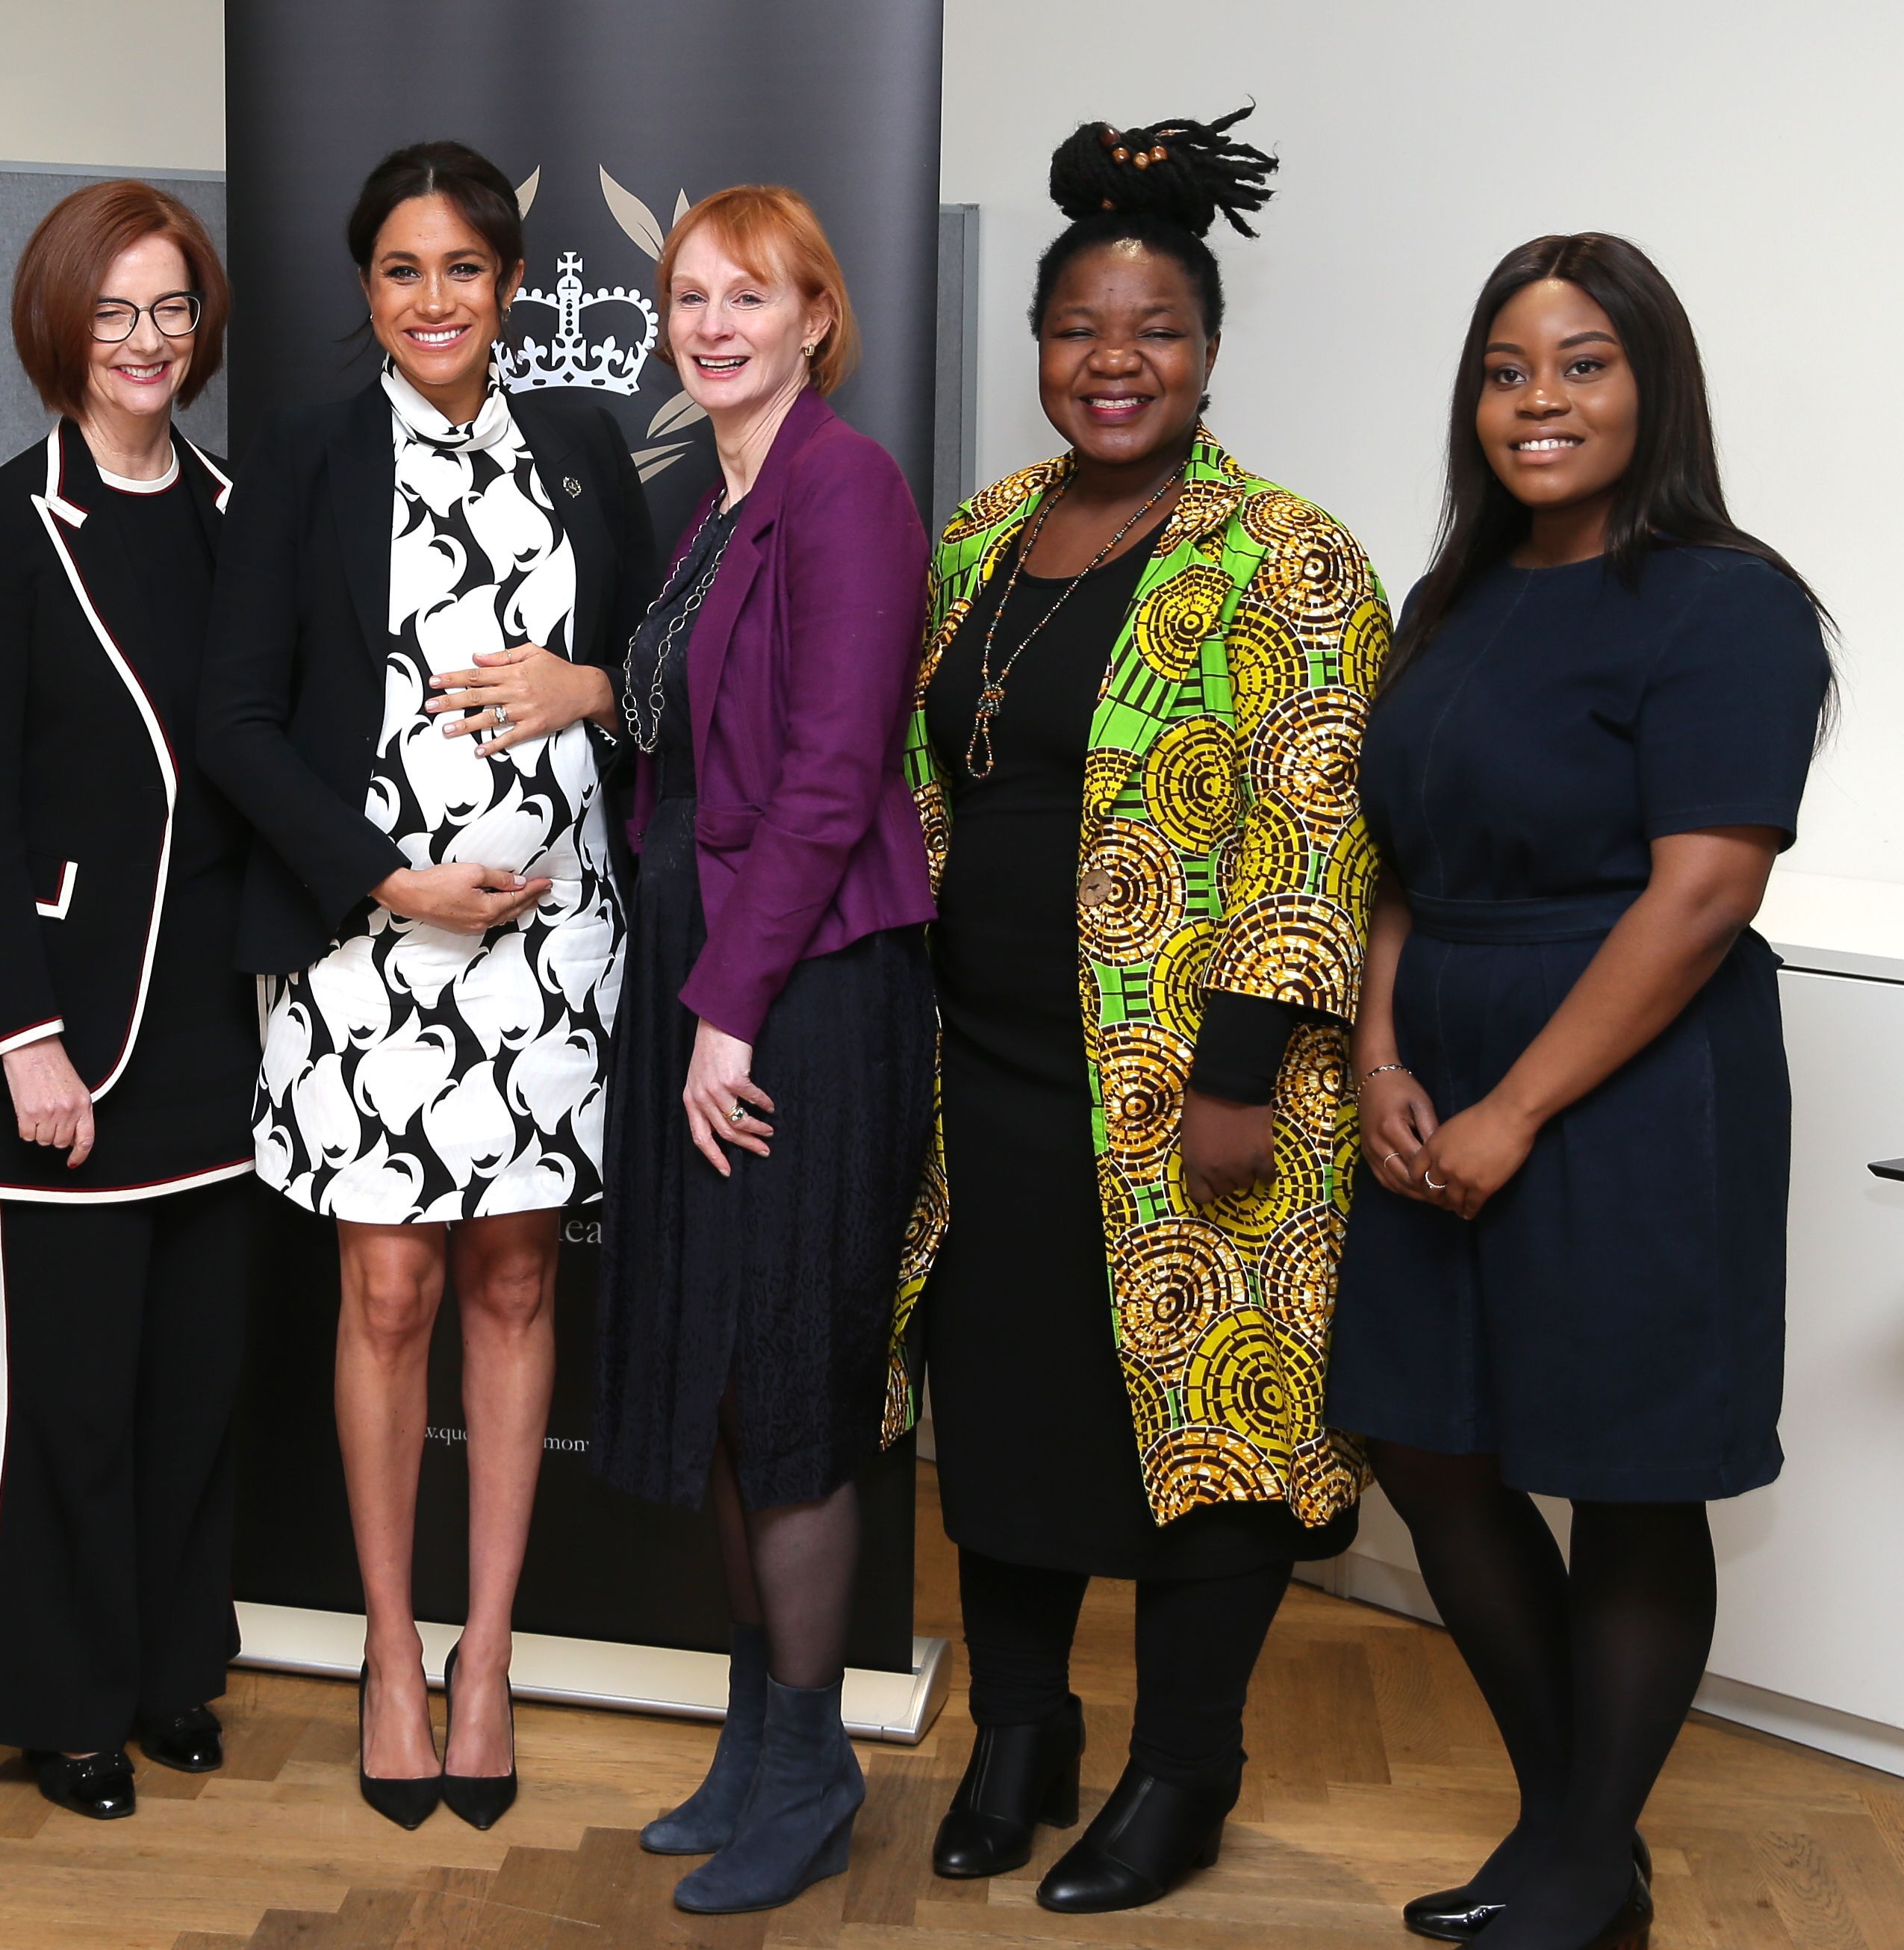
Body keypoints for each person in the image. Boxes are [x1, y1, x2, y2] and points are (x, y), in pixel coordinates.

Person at [897, 110, 1384, 1913]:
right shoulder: (981, 534)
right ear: (1039, 347)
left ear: (1208, 351)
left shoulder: (1290, 553)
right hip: (984, 1069)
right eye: (1083, 330)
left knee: (1208, 1418)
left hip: (1190, 1084)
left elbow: (1317, 813)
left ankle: (1187, 1764)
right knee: (1008, 1413)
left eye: (1157, 329)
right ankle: (1022, 1732)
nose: (1116, 362)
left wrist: (1244, 1068)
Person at [1331, 235, 1832, 1950]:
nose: (1539, 400)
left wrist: (1516, 1108)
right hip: (1440, 1044)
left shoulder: (1728, 599)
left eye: (1583, 363)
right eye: (1505, 368)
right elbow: (1396, 866)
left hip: (1630, 1078)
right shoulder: (1455, 598)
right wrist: (1386, 1058)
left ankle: (1573, 1858)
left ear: (1653, 384)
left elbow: (1703, 891)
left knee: (1625, 1472)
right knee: (1428, 1442)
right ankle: (1575, 1835)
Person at [199, 140, 653, 1831]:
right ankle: (393, 1648)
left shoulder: (591, 450)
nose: (436, 298)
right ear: (366, 291)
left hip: (552, 942)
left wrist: (592, 676)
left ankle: (491, 1654)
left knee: (519, 1286)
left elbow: (664, 668)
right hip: (369, 941)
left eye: (465, 267)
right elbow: (235, 722)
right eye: (403, 270)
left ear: (515, 284)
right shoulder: (305, 460)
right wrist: (385, 876)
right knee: (388, 1296)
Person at [586, 185, 936, 1917]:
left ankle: (814, 1767)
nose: (713, 322)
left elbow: (825, 776)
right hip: (700, 974)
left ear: (818, 316)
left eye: (752, 294)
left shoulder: (846, 487)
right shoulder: (708, 503)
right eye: (689, 295)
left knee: (790, 1383)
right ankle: (753, 1738)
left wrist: (729, 1009)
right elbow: (667, 754)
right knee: (721, 1378)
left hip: (798, 995)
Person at [0, 181, 256, 1825]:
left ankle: (164, 1667)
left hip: (220, 1030)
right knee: (74, 1404)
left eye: (171, 308)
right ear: (61, 323)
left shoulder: (236, 515)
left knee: (193, 1392)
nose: (146, 341)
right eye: (114, 311)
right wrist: (18, 1035)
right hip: (66, 1039)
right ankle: (60, 1701)